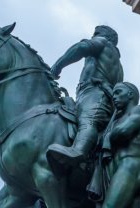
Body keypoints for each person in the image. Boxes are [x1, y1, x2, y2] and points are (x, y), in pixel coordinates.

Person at [46, 25, 124, 170]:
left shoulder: (104, 43)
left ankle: (79, 150)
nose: (93, 37)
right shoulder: (115, 59)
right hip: (89, 93)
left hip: (97, 93)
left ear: (102, 35)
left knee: (88, 119)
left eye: (95, 34)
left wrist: (57, 66)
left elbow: (81, 47)